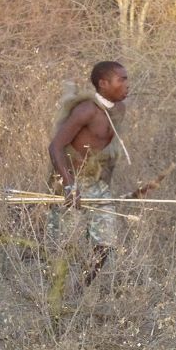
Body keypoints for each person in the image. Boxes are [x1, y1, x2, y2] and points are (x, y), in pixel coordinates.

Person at [48, 61, 129, 285]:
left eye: (126, 79)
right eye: (121, 80)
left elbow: (108, 151)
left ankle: (80, 290)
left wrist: (105, 184)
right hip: (71, 182)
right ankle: (55, 294)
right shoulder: (86, 111)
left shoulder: (119, 109)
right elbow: (55, 147)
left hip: (96, 184)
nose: (127, 85)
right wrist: (68, 186)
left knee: (106, 243)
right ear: (103, 84)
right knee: (62, 246)